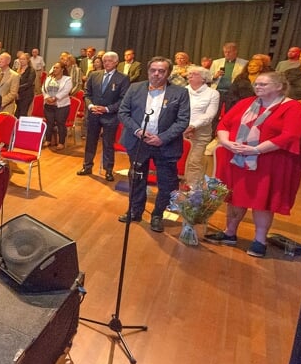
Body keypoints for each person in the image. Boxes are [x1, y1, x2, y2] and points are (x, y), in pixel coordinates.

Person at [209, 72, 301, 257]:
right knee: (234, 197)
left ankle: (259, 241)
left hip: (268, 162)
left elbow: (290, 135)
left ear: (279, 86)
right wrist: (227, 142)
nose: (258, 86)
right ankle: (229, 233)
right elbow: (224, 124)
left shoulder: (292, 107)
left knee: (261, 201)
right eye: (257, 83)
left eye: (263, 84)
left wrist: (256, 150)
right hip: (238, 158)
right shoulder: (246, 103)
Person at [117, 57, 191, 233]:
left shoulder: (180, 93)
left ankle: (157, 215)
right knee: (136, 178)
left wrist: (162, 138)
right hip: (138, 141)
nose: (157, 74)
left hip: (165, 145)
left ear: (168, 73)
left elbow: (182, 121)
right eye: (153, 70)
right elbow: (123, 112)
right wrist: (137, 131)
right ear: (148, 71)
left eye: (162, 71)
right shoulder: (134, 88)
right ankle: (135, 211)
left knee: (166, 183)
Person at [78, 52, 130, 181]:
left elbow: (123, 99)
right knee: (90, 142)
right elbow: (87, 94)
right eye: (105, 60)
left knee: (108, 144)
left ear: (116, 62)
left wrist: (107, 109)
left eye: (110, 61)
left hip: (110, 116)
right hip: (93, 114)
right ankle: (87, 166)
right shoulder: (94, 75)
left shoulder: (123, 78)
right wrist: (90, 106)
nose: (106, 63)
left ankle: (108, 170)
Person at [182, 65, 220, 187]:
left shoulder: (213, 93)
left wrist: (193, 126)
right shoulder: (183, 90)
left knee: (194, 161)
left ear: (204, 79)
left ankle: (193, 190)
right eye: (189, 74)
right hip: (181, 131)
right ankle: (177, 188)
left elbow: (209, 115)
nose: (190, 76)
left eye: (194, 74)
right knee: (180, 161)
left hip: (200, 133)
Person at [42, 61, 74, 151]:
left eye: (57, 68)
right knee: (49, 122)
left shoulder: (67, 79)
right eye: (54, 67)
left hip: (62, 105)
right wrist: (47, 97)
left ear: (62, 69)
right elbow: (43, 88)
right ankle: (48, 140)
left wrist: (55, 98)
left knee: (60, 123)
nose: (55, 69)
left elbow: (66, 91)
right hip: (48, 104)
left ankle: (61, 142)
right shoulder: (49, 78)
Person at [15, 52, 36, 117]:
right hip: (18, 94)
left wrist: (17, 88)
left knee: (23, 112)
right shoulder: (17, 70)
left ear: (28, 60)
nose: (21, 61)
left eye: (23, 59)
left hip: (27, 94)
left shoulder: (31, 70)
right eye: (20, 59)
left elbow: (29, 83)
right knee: (17, 112)